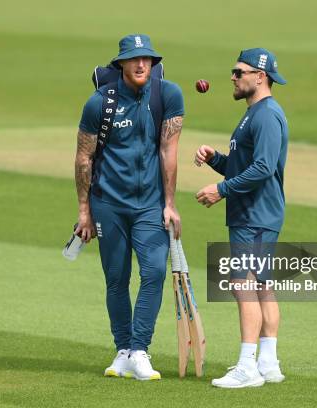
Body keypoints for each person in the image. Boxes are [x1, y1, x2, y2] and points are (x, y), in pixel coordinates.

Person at [74, 34, 184, 380]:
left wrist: (170, 203)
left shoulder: (168, 95)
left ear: (153, 63)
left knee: (154, 273)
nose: (141, 65)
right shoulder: (99, 103)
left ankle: (140, 349)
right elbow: (84, 157)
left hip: (150, 205)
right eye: (134, 59)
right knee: (116, 279)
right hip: (108, 204)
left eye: (147, 59)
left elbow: (168, 150)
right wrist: (84, 211)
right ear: (120, 63)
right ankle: (123, 350)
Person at [194, 48, 289, 388]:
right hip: (259, 212)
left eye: (239, 72)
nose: (232, 78)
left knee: (243, 284)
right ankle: (268, 362)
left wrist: (221, 189)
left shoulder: (265, 115)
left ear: (260, 77)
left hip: (253, 214)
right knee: (262, 286)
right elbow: (248, 165)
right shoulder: (256, 113)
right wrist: (217, 158)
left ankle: (247, 367)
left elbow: (263, 169)